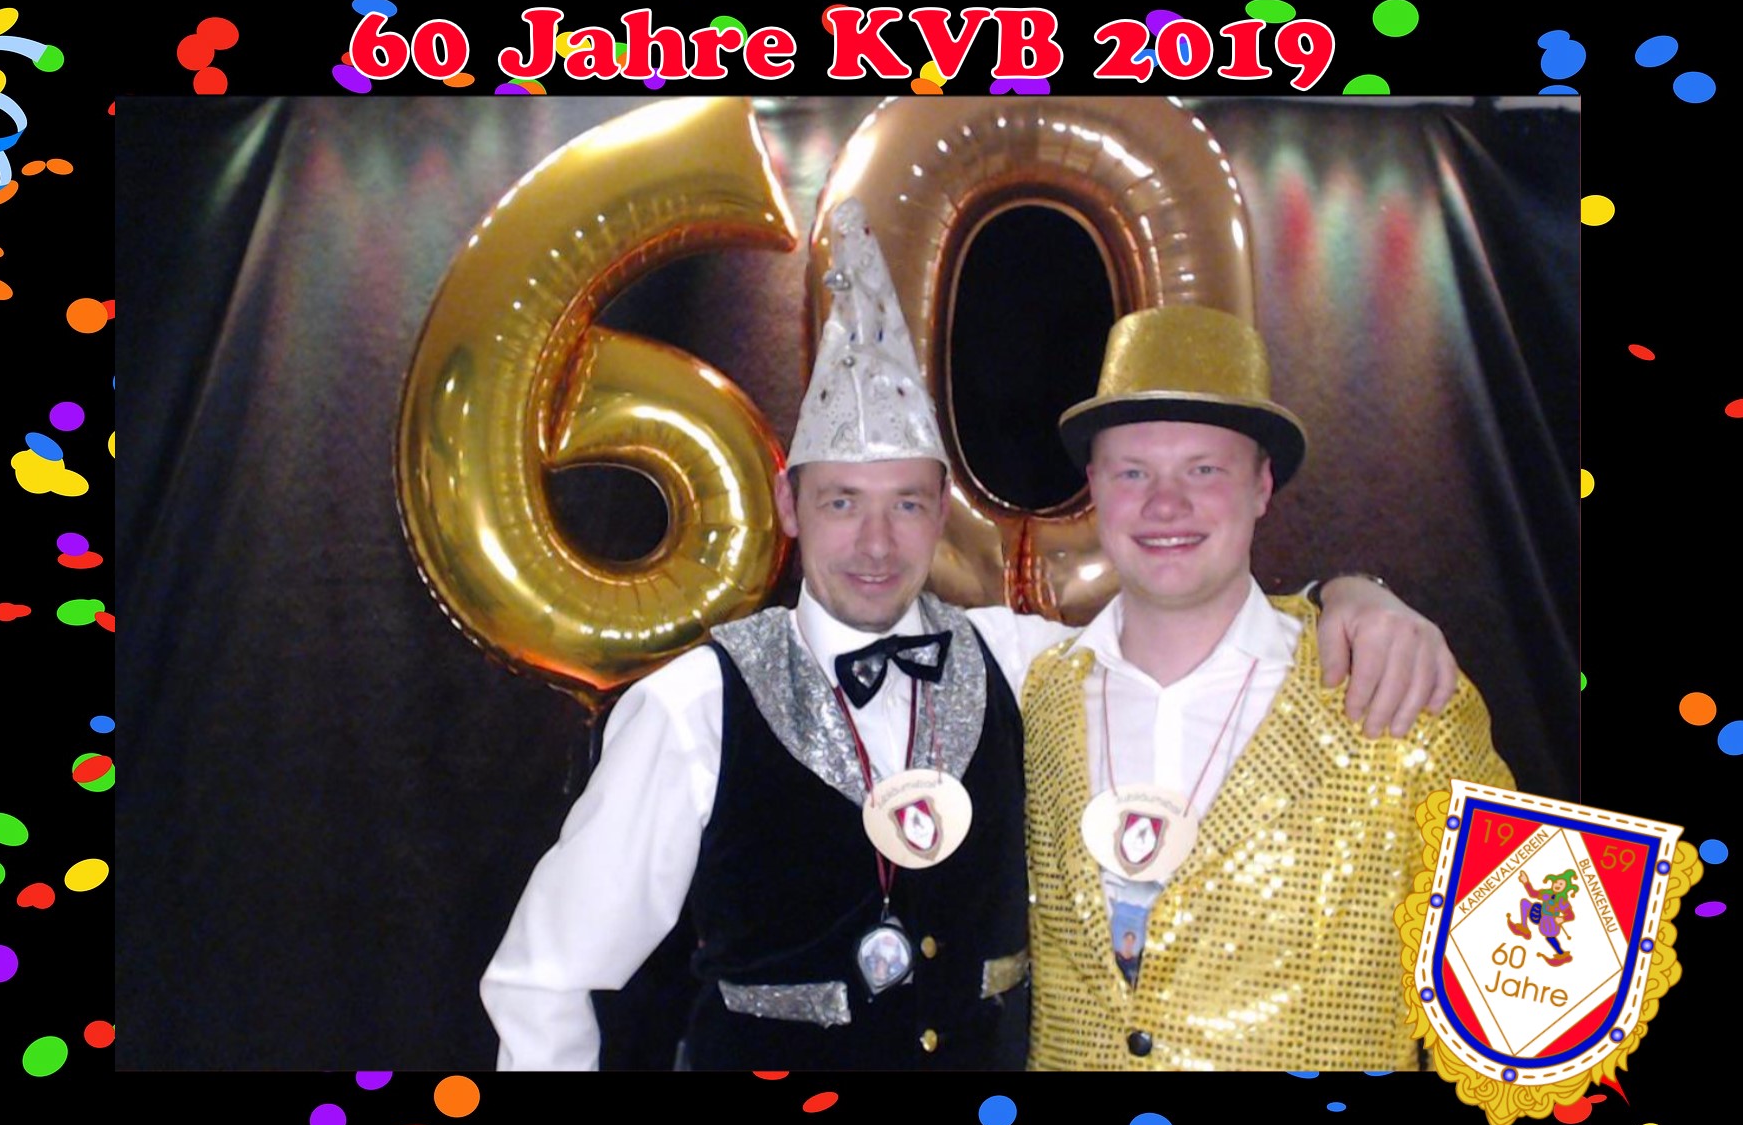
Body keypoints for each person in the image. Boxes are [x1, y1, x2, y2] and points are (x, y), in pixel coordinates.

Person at [480, 204, 1461, 1070]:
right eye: (842, 502)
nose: (876, 544)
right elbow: (547, 977)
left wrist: (1349, 596)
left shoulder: (1026, 662)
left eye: (907, 503)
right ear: (787, 505)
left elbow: (1181, 616)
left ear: (943, 506)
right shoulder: (695, 702)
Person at [1021, 304, 1517, 1071]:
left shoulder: (1401, 691)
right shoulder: (1031, 690)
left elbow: (1541, 1005)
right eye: (1133, 472)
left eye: (1204, 470)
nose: (1165, 504)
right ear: (1094, 488)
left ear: (1261, 486)